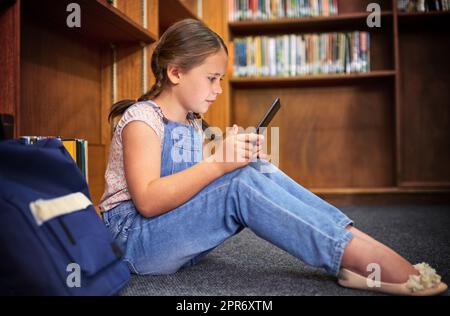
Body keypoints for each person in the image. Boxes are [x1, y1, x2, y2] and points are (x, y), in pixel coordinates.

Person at [99, 19, 447, 296]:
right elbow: (147, 200)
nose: (218, 89)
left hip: (167, 237)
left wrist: (236, 154)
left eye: (220, 79)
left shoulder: (191, 122)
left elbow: (199, 177)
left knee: (252, 167)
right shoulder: (142, 120)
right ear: (175, 73)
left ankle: (355, 244)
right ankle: (357, 256)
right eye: (211, 79)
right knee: (238, 183)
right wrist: (219, 162)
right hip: (133, 243)